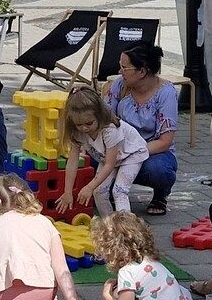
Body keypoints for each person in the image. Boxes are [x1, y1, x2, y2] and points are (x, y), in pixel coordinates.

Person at [104, 43, 180, 216]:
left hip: (152, 152)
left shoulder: (166, 93)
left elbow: (165, 141)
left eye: (124, 68)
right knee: (91, 159)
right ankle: (109, 190)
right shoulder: (119, 85)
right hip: (119, 147)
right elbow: (105, 119)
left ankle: (160, 194)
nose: (120, 71)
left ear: (142, 72)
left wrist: (130, 152)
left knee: (158, 170)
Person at [56, 86, 146, 216]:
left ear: (99, 115)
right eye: (79, 124)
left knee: (119, 190)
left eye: (89, 123)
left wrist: (89, 186)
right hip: (108, 157)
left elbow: (110, 164)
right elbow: (72, 161)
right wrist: (67, 192)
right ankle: (108, 223)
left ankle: (126, 226)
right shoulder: (76, 132)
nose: (84, 128)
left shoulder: (110, 129)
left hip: (131, 154)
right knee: (98, 191)